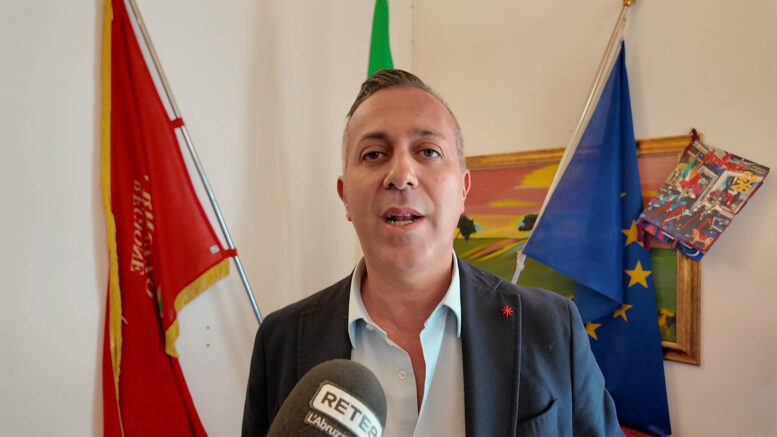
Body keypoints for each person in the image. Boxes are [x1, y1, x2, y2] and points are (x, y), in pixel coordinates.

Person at [242, 69, 622, 436]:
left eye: (428, 151)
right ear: (345, 197)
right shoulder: (280, 342)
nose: (401, 174)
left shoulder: (552, 327)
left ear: (463, 190)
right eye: (373, 154)